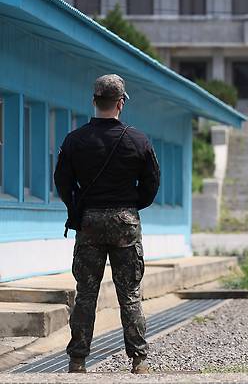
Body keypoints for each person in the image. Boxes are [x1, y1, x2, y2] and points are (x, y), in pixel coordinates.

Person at [54, 74, 160, 374]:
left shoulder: (75, 140)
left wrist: (77, 208)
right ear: (121, 102)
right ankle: (139, 361)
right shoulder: (138, 139)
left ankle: (77, 360)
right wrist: (132, 204)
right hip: (125, 222)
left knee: (86, 293)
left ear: (94, 101)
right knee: (129, 294)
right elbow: (152, 182)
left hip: (89, 221)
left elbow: (62, 180)